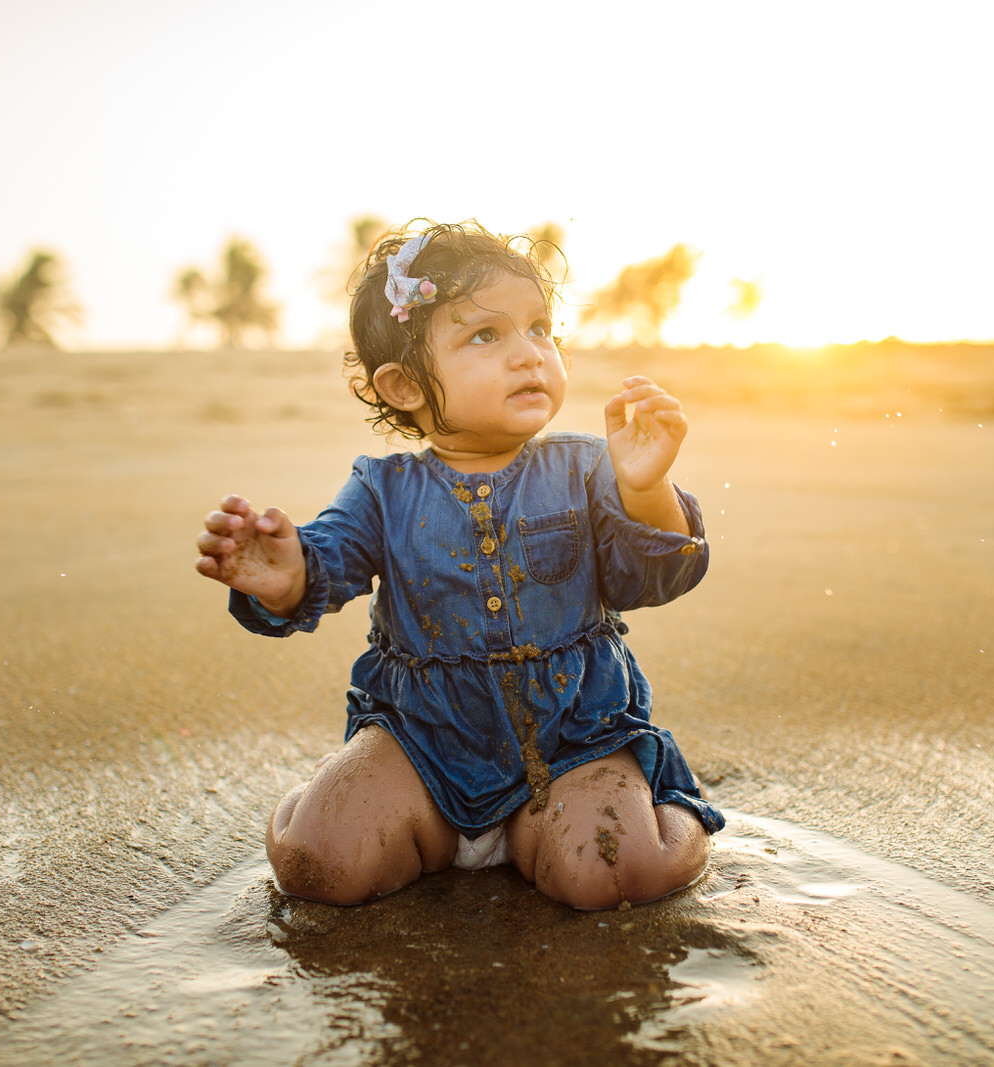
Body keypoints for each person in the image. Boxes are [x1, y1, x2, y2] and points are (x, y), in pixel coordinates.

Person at [195, 221, 722, 910]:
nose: (529, 355)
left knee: (620, 871)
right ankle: (340, 792)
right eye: (486, 336)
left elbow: (652, 577)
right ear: (405, 385)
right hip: (424, 744)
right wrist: (289, 571)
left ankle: (669, 802)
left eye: (540, 329)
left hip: (575, 740)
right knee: (318, 863)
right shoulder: (381, 490)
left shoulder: (588, 468)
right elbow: (329, 559)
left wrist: (646, 489)